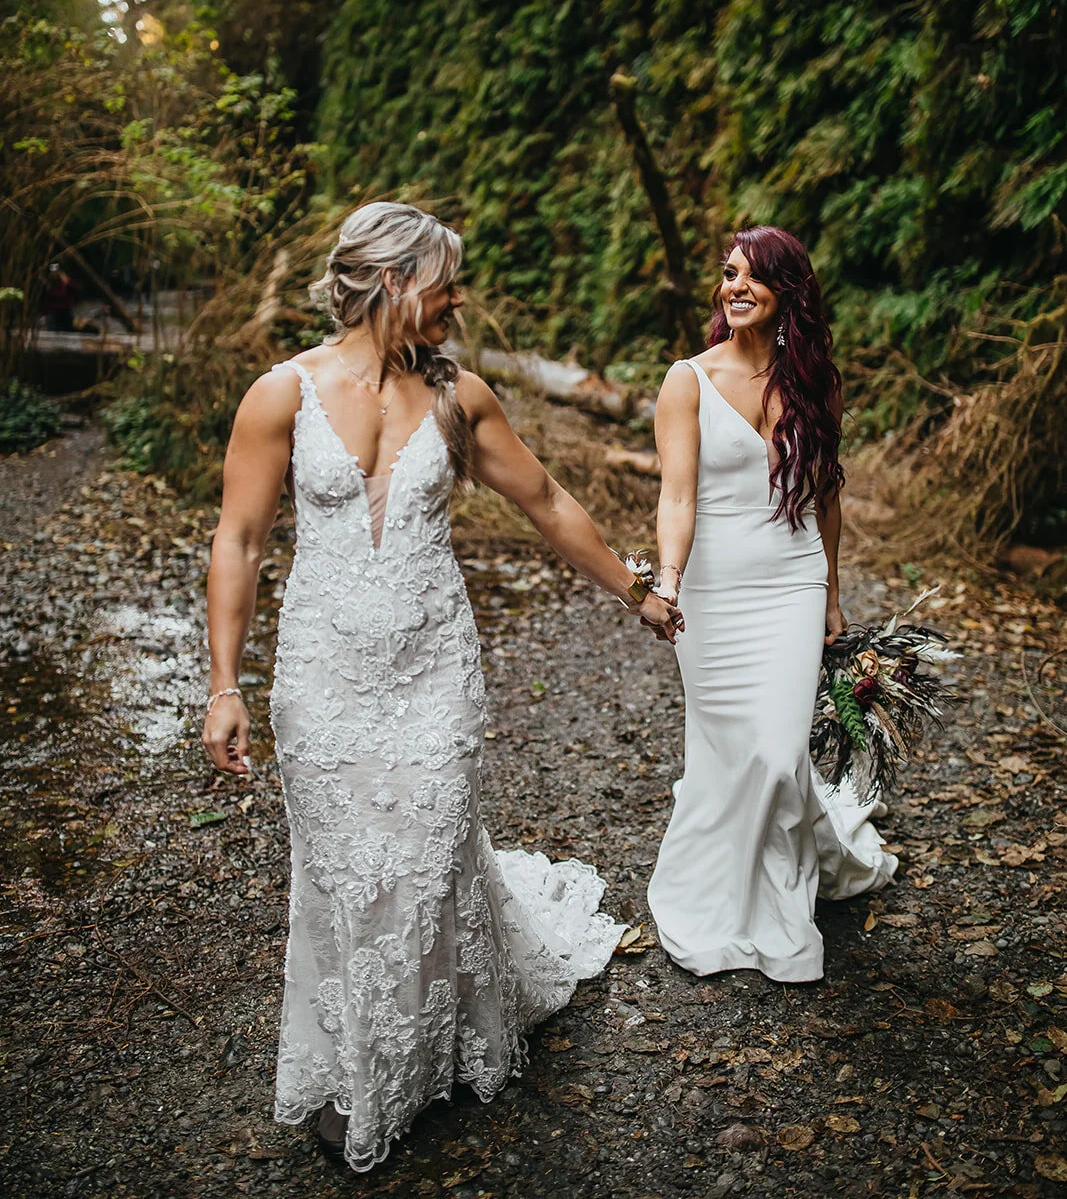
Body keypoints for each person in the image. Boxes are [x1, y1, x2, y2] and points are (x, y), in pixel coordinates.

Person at [202, 201, 682, 1172]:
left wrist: (637, 591)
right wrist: (224, 684)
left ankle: (417, 1051)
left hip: (433, 668)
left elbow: (545, 498)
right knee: (347, 870)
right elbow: (239, 540)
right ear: (392, 281)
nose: (457, 303)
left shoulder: (460, 397)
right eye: (445, 285)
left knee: (425, 854)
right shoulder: (280, 394)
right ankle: (362, 1062)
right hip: (323, 673)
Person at [646, 225, 896, 982]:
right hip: (713, 590)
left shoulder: (817, 382)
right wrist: (667, 580)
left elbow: (826, 498)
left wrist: (831, 594)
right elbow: (677, 497)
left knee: (781, 752)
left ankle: (781, 904)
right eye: (729, 274)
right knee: (730, 749)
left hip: (792, 580)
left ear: (789, 291)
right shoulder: (686, 380)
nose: (736, 287)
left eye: (754, 276)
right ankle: (715, 893)